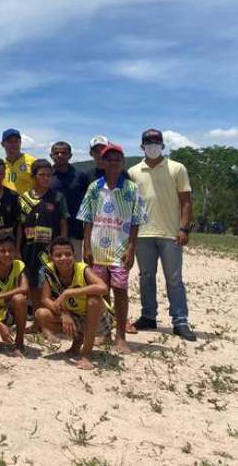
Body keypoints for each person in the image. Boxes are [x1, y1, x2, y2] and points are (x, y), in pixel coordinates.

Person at [78, 143, 146, 354]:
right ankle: (105, 332)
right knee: (100, 291)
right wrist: (86, 246)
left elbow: (136, 221)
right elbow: (87, 218)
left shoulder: (132, 188)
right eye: (109, 158)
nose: (114, 162)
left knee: (120, 291)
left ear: (122, 162)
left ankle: (120, 337)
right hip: (97, 248)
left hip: (120, 248)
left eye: (118, 158)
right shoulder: (94, 187)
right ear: (103, 163)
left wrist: (132, 248)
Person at [129, 129, 196, 341]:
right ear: (142, 146)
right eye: (148, 141)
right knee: (146, 277)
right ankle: (148, 316)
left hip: (170, 233)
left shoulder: (177, 168)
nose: (152, 144)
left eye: (156, 141)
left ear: (163, 145)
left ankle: (180, 321)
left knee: (174, 279)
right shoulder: (133, 172)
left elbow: (186, 200)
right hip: (142, 233)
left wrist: (184, 228)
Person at [35, 238, 109, 370]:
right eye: (58, 255)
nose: (64, 258)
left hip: (98, 320)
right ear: (51, 258)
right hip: (74, 314)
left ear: (74, 256)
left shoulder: (82, 269)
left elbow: (103, 288)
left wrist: (69, 292)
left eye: (68, 254)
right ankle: (77, 341)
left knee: (94, 300)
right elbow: (45, 299)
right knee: (41, 314)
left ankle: (86, 354)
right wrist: (63, 314)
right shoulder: (49, 271)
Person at [18, 159, 69, 316]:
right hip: (29, 248)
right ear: (33, 177)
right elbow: (19, 227)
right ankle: (37, 318)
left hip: (49, 249)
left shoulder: (58, 198)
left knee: (46, 283)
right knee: (32, 283)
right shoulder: (23, 199)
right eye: (42, 175)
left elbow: (63, 224)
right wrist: (17, 249)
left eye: (49, 175)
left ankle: (49, 319)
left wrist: (61, 249)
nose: (46, 178)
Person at [49, 141, 90, 256]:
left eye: (63, 152)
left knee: (74, 265)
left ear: (70, 155)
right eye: (56, 153)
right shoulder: (47, 176)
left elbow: (87, 203)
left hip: (75, 230)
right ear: (51, 156)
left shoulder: (80, 176)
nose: (60, 155)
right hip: (51, 230)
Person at [1, 128, 36, 195]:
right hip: (7, 203)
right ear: (2, 144)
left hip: (28, 203)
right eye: (9, 141)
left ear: (20, 143)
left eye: (16, 141)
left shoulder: (32, 162)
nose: (13, 144)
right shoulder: (0, 164)